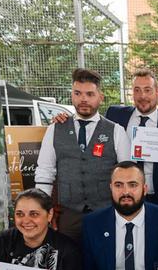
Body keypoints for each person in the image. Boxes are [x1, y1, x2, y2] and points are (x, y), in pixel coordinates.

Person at [35, 68, 131, 241]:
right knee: (68, 262)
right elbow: (45, 172)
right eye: (78, 93)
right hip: (68, 214)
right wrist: (44, 208)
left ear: (100, 97)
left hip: (106, 212)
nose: (84, 99)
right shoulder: (55, 129)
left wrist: (124, 210)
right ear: (71, 95)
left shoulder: (116, 131)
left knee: (104, 261)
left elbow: (128, 174)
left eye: (90, 94)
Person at [105, 68, 158, 209]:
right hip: (122, 198)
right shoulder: (115, 115)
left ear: (157, 92)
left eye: (147, 90)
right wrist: (64, 119)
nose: (142, 96)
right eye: (137, 90)